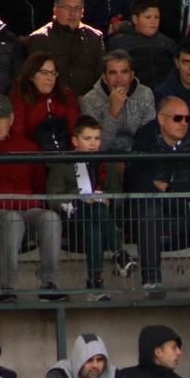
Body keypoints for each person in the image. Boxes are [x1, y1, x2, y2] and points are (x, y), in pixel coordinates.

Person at [0, 93, 63, 302]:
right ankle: (7, 288)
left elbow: (40, 186)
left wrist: (34, 203)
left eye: (1, 117)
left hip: (27, 210)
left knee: (50, 217)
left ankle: (49, 284)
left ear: (11, 119)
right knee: (11, 219)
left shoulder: (28, 147)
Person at [125, 95, 190, 290]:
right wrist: (162, 192)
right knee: (149, 207)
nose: (184, 123)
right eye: (177, 118)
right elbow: (136, 182)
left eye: (187, 119)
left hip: (187, 213)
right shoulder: (144, 140)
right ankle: (151, 281)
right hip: (152, 214)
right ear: (160, 118)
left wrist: (170, 189)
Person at [45, 114, 133, 298]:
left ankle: (95, 287)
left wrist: (108, 199)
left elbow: (117, 194)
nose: (93, 144)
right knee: (92, 210)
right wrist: (79, 197)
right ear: (75, 141)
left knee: (95, 223)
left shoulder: (104, 163)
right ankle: (119, 253)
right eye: (87, 139)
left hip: (99, 219)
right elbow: (53, 198)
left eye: (97, 139)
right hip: (72, 219)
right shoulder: (62, 164)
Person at [27, 0, 104, 96]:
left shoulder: (95, 38)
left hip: (88, 102)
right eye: (67, 8)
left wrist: (89, 101)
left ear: (82, 12)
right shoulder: (39, 39)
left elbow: (101, 76)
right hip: (53, 102)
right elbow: (34, 80)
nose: (72, 13)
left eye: (77, 8)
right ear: (55, 10)